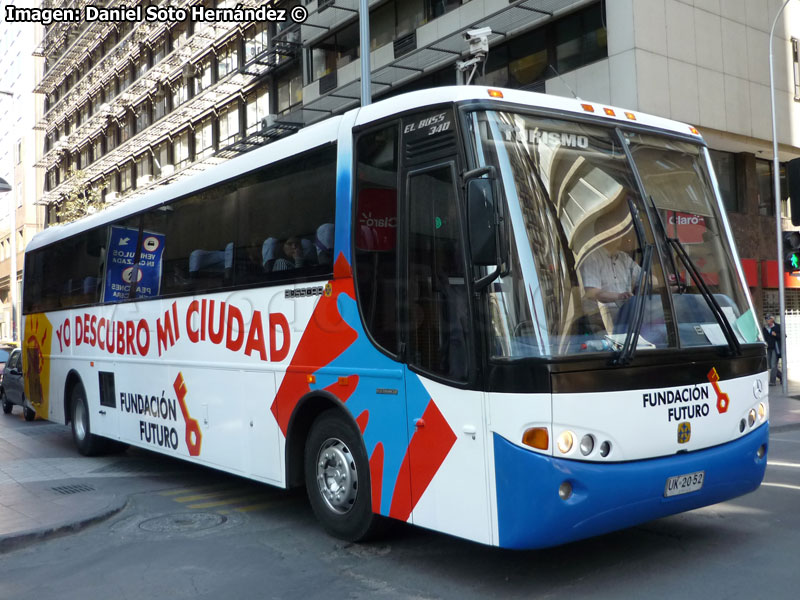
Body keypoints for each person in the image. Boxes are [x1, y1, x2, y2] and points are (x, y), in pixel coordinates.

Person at [580, 214, 641, 332]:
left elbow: (645, 278)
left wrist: (663, 283)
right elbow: (592, 293)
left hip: (626, 316)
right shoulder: (591, 257)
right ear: (600, 232)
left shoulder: (624, 258)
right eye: (614, 229)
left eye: (620, 229)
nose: (619, 234)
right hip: (599, 322)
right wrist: (619, 296)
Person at [763, 315, 782, 386]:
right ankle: (781, 376)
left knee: (773, 365)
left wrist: (775, 334)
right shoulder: (765, 328)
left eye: (768, 319)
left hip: (775, 348)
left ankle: (772, 382)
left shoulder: (778, 326)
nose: (767, 320)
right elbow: (764, 337)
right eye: (766, 319)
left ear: (772, 319)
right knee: (770, 366)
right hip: (768, 348)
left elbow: (784, 336)